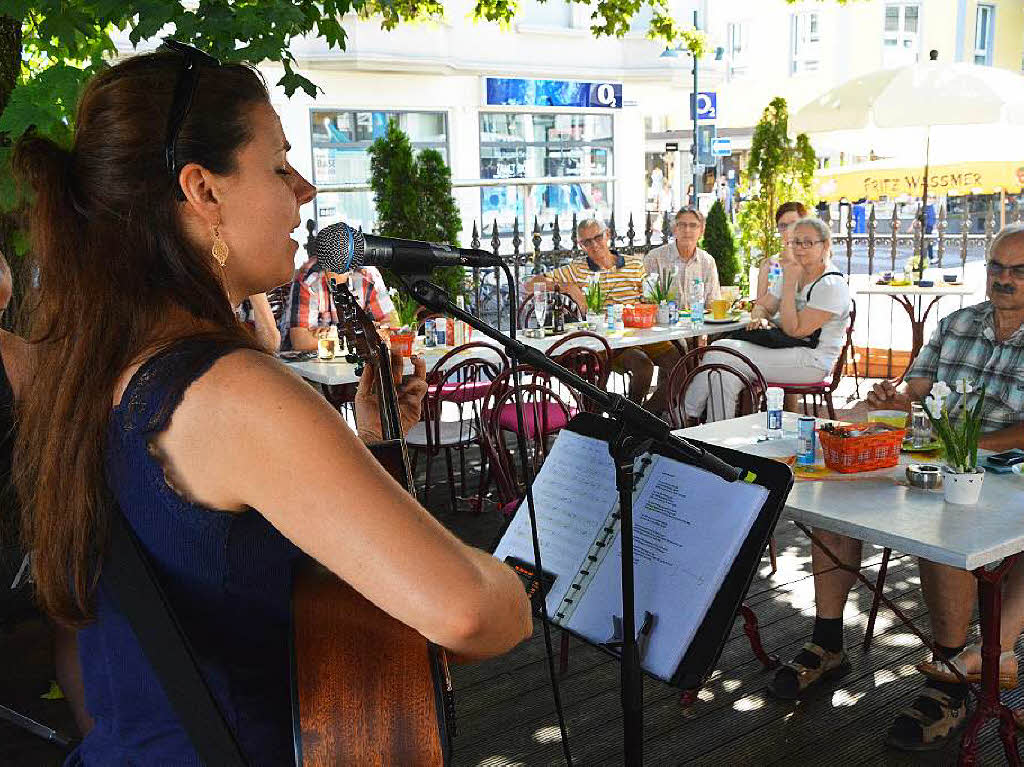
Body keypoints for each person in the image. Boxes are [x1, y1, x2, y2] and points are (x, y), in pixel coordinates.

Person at [11, 43, 531, 766]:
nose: (306, 188)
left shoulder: (97, 373)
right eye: (280, 163)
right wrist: (514, 588)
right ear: (204, 190)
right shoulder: (231, 390)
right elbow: (470, 613)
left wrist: (372, 440)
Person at [770, 222, 1024, 752]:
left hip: (1008, 470)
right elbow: (917, 387)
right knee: (835, 491)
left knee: (944, 528)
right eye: (996, 267)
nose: (1003, 279)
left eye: (1017, 271)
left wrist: (973, 442)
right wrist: (894, 394)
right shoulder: (958, 323)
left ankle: (948, 678)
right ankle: (827, 640)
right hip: (933, 454)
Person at [683, 217, 850, 422]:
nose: (800, 248)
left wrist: (789, 284)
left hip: (812, 362)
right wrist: (761, 318)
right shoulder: (796, 272)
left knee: (719, 350)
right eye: (796, 242)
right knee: (723, 374)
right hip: (784, 351)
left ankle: (683, 415)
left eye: (808, 242)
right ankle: (717, 438)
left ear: (825, 245)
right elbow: (763, 305)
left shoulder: (830, 284)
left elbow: (794, 330)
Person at [529, 218, 659, 404]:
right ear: (580, 245)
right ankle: (634, 419)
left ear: (608, 235)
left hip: (642, 332)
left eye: (598, 237)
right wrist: (568, 287)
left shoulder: (634, 265)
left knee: (680, 361)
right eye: (587, 242)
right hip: (609, 343)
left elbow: (649, 299)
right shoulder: (577, 269)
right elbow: (530, 284)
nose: (594, 245)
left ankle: (648, 417)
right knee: (643, 366)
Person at [283, 260, 399, 351]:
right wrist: (367, 333)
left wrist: (330, 336)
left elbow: (392, 327)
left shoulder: (368, 275)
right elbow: (301, 341)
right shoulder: (308, 279)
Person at [644, 207, 721, 306]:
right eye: (682, 225)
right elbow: (647, 302)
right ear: (675, 229)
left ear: (701, 231)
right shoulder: (655, 258)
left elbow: (713, 302)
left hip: (699, 320)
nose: (687, 230)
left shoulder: (707, 262)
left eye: (693, 225)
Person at [755, 201, 807, 302]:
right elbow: (760, 307)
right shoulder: (768, 265)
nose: (788, 231)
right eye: (783, 226)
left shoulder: (814, 264)